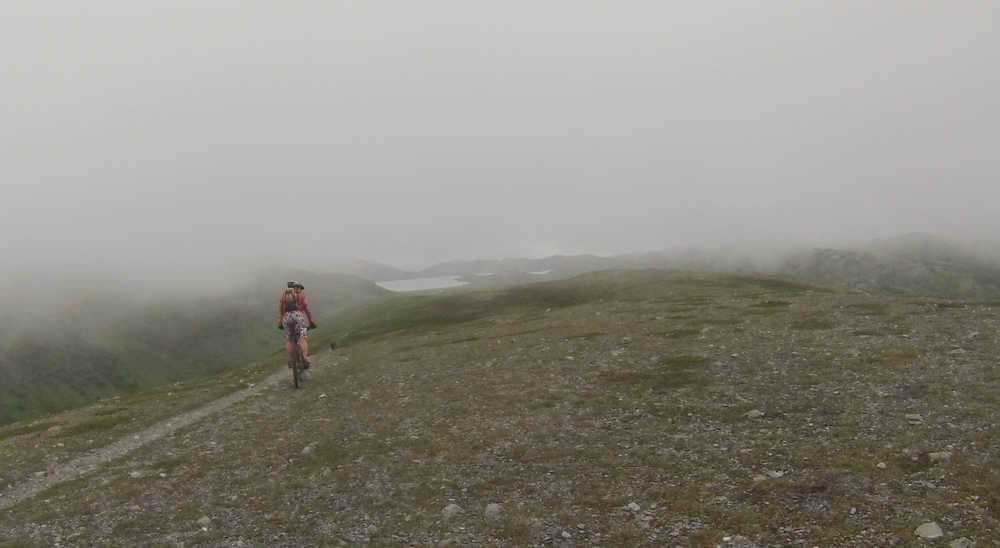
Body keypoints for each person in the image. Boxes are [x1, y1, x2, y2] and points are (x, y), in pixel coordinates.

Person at [278, 281, 317, 367]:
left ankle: (291, 360)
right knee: (302, 338)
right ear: (296, 288)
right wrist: (311, 321)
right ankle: (305, 358)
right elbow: (307, 310)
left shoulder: (284, 296)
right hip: (298, 317)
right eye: (299, 288)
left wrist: (280, 322)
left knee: (289, 340)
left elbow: (281, 311)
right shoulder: (301, 296)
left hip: (286, 318)